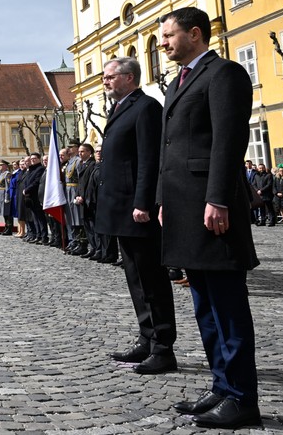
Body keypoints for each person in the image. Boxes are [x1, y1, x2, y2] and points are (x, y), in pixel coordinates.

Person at [157, 7, 260, 428]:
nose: (163, 43)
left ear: (194, 34)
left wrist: (218, 198)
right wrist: (164, 199)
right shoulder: (178, 82)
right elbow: (171, 147)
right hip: (184, 207)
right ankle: (221, 385)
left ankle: (242, 398)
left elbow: (228, 141)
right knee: (203, 304)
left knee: (227, 305)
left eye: (168, 35)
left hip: (211, 207)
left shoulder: (224, 75)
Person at [96, 57, 177, 375]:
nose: (105, 81)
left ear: (129, 78)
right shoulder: (119, 108)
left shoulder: (145, 108)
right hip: (120, 208)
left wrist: (145, 202)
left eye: (109, 77)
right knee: (135, 279)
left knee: (152, 279)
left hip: (136, 209)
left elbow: (148, 159)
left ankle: (163, 347)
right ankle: (147, 337)